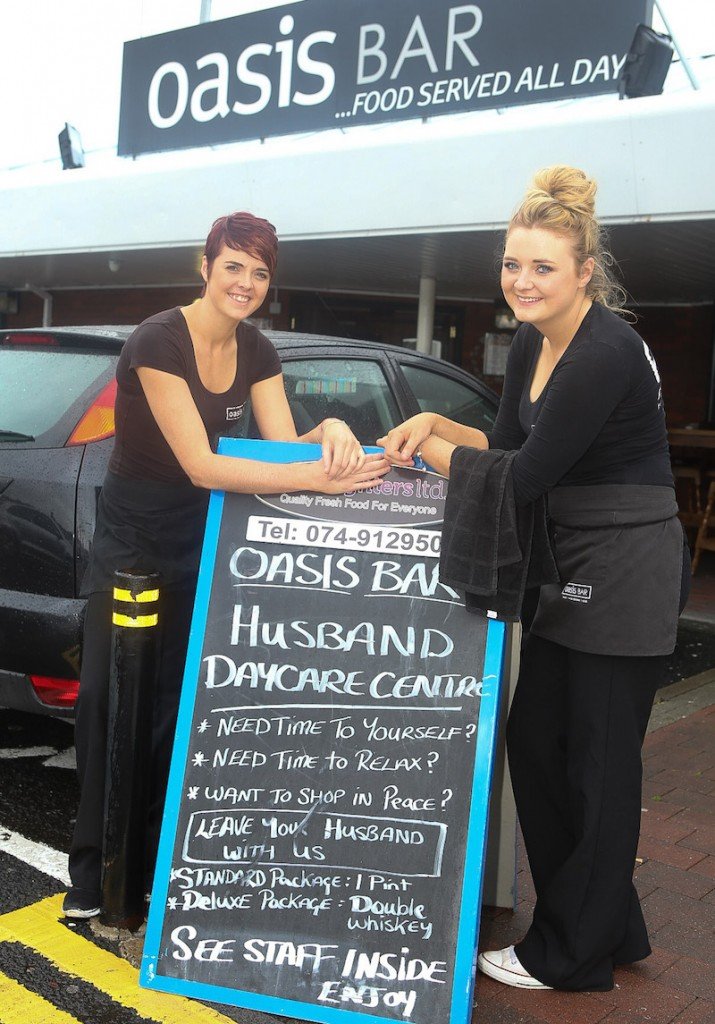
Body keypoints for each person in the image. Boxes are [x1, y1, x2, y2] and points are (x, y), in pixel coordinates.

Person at [378, 166, 687, 992]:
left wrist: (430, 451)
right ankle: (610, 927)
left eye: (542, 267)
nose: (522, 282)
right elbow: (508, 443)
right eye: (513, 265)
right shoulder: (529, 341)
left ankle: (571, 956)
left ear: (584, 271)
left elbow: (518, 482)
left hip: (623, 570)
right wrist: (437, 421)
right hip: (566, 565)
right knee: (540, 744)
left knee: (596, 761)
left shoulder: (603, 352)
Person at [64, 211, 388, 919]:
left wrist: (330, 430)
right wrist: (312, 478)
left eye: (260, 272)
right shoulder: (158, 340)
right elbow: (203, 464)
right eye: (233, 266)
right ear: (203, 266)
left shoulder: (258, 350)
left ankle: (146, 869)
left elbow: (282, 445)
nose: (245, 283)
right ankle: (90, 876)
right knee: (107, 705)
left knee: (171, 711)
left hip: (205, 547)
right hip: (134, 548)